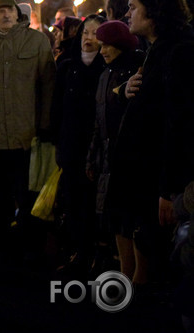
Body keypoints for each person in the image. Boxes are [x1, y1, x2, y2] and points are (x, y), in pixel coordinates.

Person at [109, 0, 194, 285]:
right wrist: (125, 91)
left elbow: (180, 123)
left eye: (133, 6)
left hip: (159, 181)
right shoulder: (158, 49)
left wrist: (168, 190)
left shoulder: (180, 51)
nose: (127, 13)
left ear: (155, 10)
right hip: (143, 175)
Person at [0, 0, 56, 258]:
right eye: (0, 11)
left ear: (18, 13)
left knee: (27, 192)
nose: (6, 14)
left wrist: (45, 124)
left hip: (26, 134)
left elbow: (48, 87)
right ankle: (0, 244)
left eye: (10, 10)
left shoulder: (38, 41)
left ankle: (31, 247)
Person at [86, 20, 144, 277]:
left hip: (131, 158)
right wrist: (92, 156)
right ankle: (125, 272)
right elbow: (99, 121)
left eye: (106, 45)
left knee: (134, 221)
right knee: (116, 220)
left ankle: (140, 278)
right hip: (108, 158)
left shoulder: (137, 70)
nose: (102, 51)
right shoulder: (105, 75)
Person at [50, 14, 106, 274]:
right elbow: (57, 106)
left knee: (90, 201)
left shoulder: (105, 68)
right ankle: (74, 250)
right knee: (71, 199)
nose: (88, 38)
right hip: (70, 144)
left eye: (95, 33)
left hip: (94, 148)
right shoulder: (67, 66)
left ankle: (92, 251)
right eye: (85, 33)